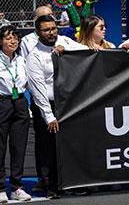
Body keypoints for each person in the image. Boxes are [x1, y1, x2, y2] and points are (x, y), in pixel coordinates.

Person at [26, 15, 84, 198]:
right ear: (37, 33)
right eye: (46, 30)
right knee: (48, 146)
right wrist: (49, 116)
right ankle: (50, 185)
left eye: (53, 28)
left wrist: (66, 49)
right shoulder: (34, 56)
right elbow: (38, 90)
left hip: (67, 104)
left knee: (71, 144)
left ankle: (71, 182)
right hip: (46, 105)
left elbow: (87, 50)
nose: (51, 33)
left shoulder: (65, 41)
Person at [0, 26, 32, 203]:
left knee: (19, 147)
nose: (13, 41)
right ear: (0, 41)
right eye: (8, 38)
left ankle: (17, 187)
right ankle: (0, 188)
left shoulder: (23, 61)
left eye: (15, 37)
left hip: (20, 104)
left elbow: (28, 84)